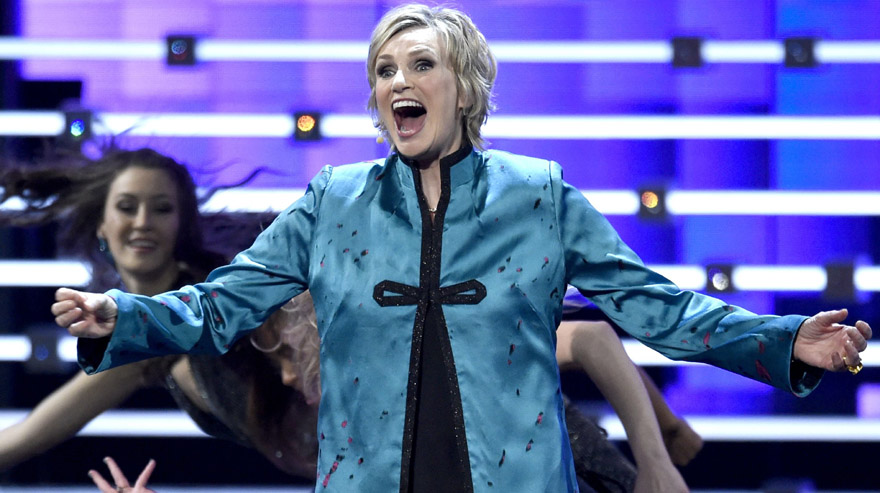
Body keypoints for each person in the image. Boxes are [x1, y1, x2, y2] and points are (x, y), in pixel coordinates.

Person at [53, 4, 871, 491]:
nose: (397, 81)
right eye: (383, 69)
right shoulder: (332, 201)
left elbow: (651, 306)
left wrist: (780, 338)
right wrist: (117, 313)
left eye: (420, 63)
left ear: (467, 87)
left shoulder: (540, 195)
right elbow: (224, 302)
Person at [2, 147, 697, 491]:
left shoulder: (252, 304)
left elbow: (587, 337)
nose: (143, 223)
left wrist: (656, 458)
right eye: (128, 206)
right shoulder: (154, 346)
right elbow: (26, 438)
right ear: (101, 223)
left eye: (161, 207)